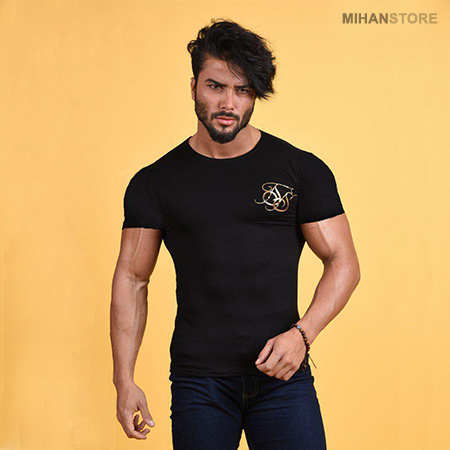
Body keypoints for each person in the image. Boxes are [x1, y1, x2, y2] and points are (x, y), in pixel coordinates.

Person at [110, 18, 361, 450]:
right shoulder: (154, 182)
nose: (229, 103)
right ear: (194, 87)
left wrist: (303, 335)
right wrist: (124, 380)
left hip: (283, 378)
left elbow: (344, 262)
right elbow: (133, 278)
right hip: (199, 384)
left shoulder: (300, 170)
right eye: (216, 87)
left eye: (243, 90)